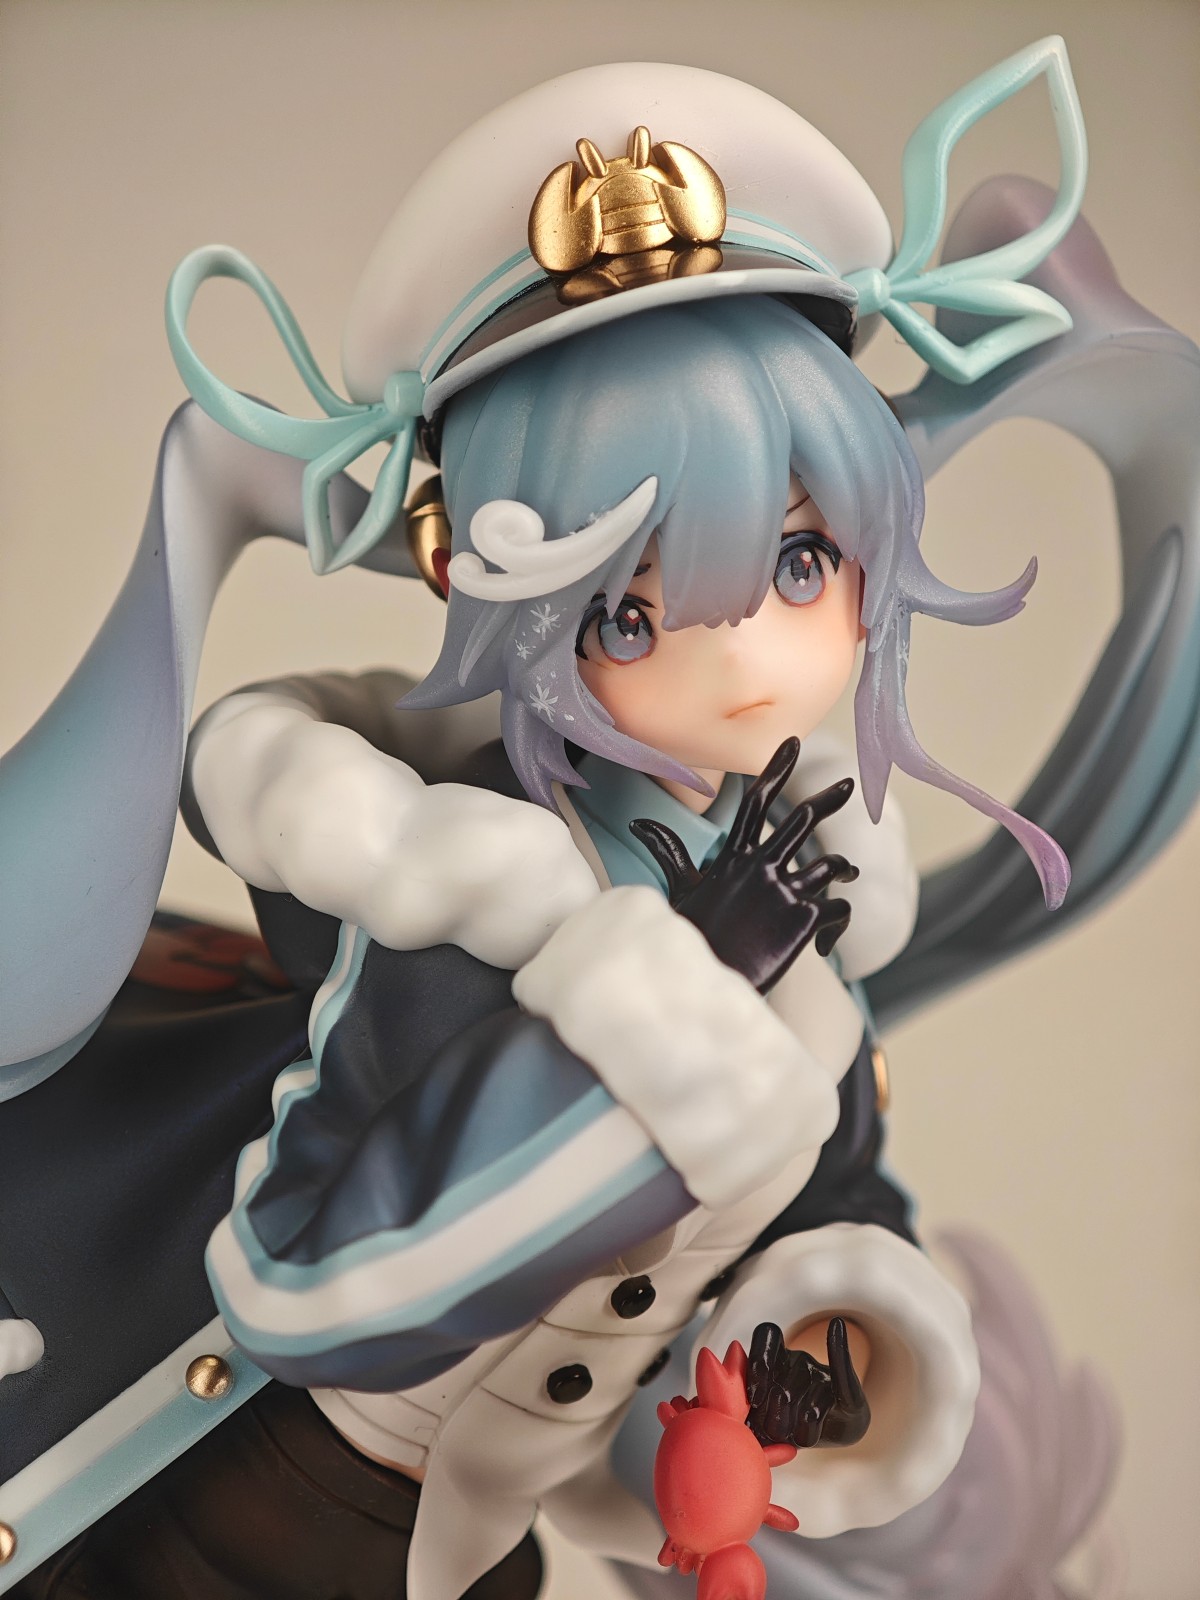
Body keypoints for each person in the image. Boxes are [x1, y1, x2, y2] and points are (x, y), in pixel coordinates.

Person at [1, 35, 1198, 1600]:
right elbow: (320, 1277)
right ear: (488, 587)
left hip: (467, 1547)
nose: (742, 656)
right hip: (253, 1503)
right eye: (632, 610)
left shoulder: (806, 895)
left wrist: (814, 1366)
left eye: (796, 563)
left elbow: (832, 1199)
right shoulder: (471, 888)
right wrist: (658, 1026)